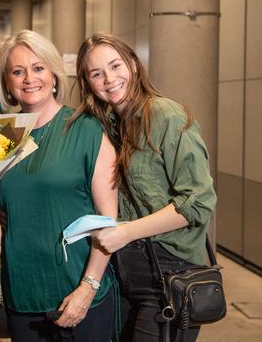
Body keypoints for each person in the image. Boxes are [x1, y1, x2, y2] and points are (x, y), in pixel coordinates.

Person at [75, 31, 217, 342]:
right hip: (126, 271)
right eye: (96, 73)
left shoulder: (165, 115)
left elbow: (198, 202)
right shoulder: (108, 125)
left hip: (169, 271)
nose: (109, 79)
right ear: (88, 82)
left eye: (116, 66)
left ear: (134, 65)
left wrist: (126, 232)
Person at [0, 29, 119, 342]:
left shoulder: (87, 129)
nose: (29, 79)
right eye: (17, 71)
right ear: (7, 82)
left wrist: (87, 289)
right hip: (22, 295)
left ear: (53, 73)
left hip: (79, 294)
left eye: (38, 68)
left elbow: (108, 223)